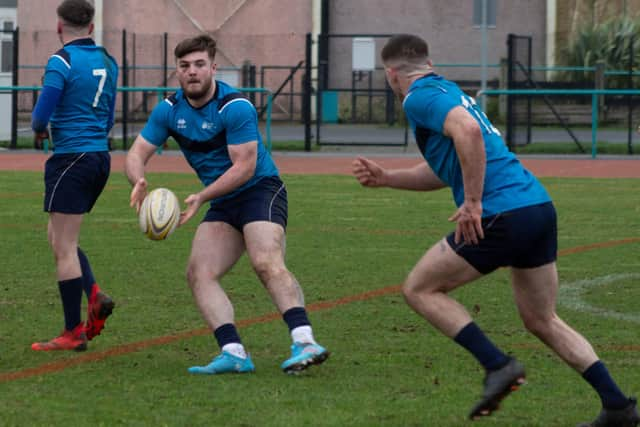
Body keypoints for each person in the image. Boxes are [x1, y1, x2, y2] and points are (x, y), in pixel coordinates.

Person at [352, 34, 638, 426]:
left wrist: (472, 203)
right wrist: (388, 178)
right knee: (542, 320)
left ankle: (498, 365)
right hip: (535, 207)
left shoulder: (417, 96)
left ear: (390, 73)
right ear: (428, 62)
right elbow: (448, 165)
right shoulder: (449, 90)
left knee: (420, 289)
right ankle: (618, 406)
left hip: (501, 213)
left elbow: (469, 135)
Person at [124, 34, 329, 375]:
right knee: (199, 273)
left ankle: (305, 341)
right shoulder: (169, 110)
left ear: (213, 68)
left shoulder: (235, 107)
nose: (192, 72)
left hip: (260, 189)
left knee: (265, 261)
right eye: (185, 66)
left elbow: (245, 167)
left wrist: (202, 196)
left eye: (199, 65)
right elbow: (136, 152)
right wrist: (138, 179)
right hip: (222, 199)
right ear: (177, 71)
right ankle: (233, 352)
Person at [30, 0, 118, 352]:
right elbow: (109, 116)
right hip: (99, 157)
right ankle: (94, 293)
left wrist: (41, 131)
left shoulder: (61, 61)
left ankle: (73, 331)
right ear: (92, 28)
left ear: (58, 27)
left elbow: (39, 118)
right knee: (59, 236)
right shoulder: (109, 62)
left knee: (63, 247)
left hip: (71, 158)